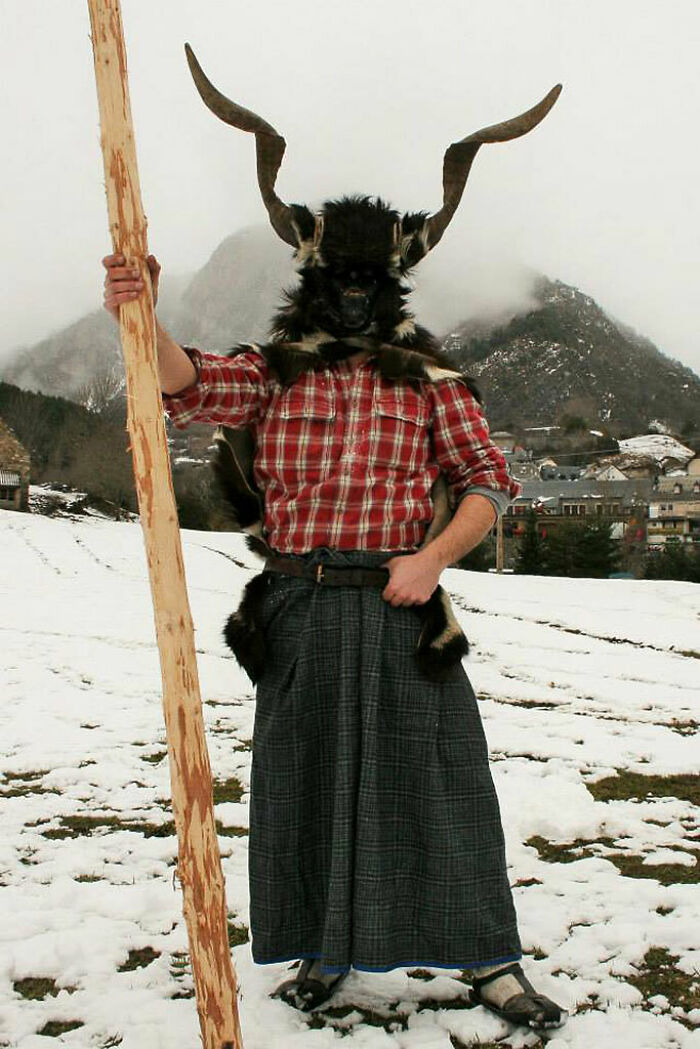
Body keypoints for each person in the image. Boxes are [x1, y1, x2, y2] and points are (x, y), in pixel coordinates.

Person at [99, 48, 566, 1033]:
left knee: (439, 779)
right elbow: (188, 384)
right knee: (305, 773)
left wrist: (432, 556)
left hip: (404, 603)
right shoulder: (275, 372)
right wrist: (142, 311)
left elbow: (487, 484)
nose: (353, 298)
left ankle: (487, 957)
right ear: (315, 274)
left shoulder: (432, 381)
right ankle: (325, 949)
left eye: (369, 282)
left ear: (389, 280)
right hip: (302, 604)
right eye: (338, 281)